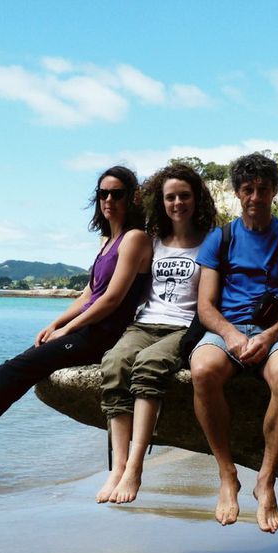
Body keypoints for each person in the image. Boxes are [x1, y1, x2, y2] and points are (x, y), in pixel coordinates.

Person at [0, 166, 152, 467]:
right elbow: (89, 294)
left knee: (17, 370)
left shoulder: (135, 238)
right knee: (10, 368)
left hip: (104, 335)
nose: (109, 200)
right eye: (103, 193)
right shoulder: (106, 241)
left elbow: (112, 299)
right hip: (85, 330)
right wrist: (55, 324)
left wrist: (68, 330)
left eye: (117, 193)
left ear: (131, 198)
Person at [189, 153, 278, 533]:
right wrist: (232, 335)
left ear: (274, 192)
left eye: (262, 189)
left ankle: (266, 479)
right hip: (228, 329)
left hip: (276, 331)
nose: (255, 197)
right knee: (203, 369)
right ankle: (227, 475)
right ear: (238, 192)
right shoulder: (221, 238)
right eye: (248, 189)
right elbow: (205, 306)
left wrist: (268, 335)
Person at [95, 163, 217, 504]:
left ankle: (135, 469)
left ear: (196, 199)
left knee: (149, 366)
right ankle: (116, 468)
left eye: (184, 196)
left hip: (183, 328)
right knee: (115, 363)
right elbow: (117, 281)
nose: (177, 203)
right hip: (145, 322)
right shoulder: (152, 240)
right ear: (161, 202)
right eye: (170, 197)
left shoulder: (210, 244)